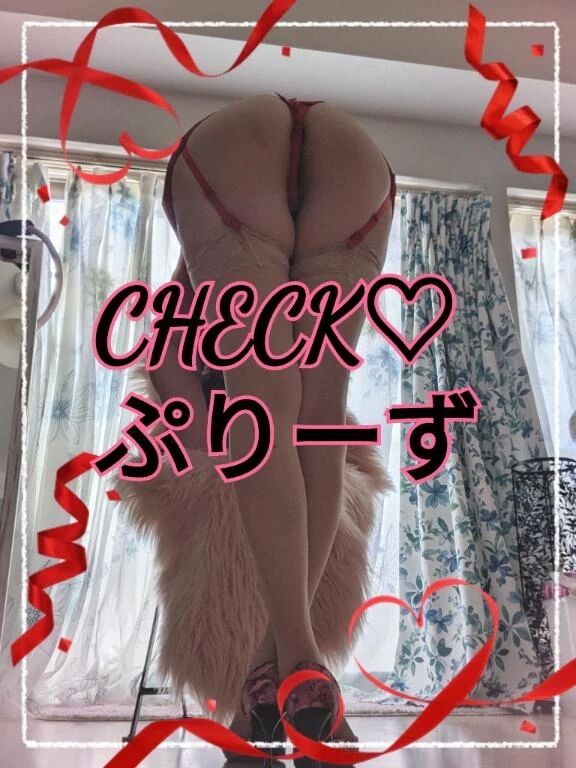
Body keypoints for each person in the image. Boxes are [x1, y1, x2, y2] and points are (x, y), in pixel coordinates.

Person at [151, 92, 395, 766]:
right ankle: (285, 678)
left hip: (232, 151)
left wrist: (206, 425)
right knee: (318, 417)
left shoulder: (186, 336)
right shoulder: (184, 315)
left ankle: (282, 677)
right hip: (353, 155)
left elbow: (169, 366)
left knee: (265, 414)